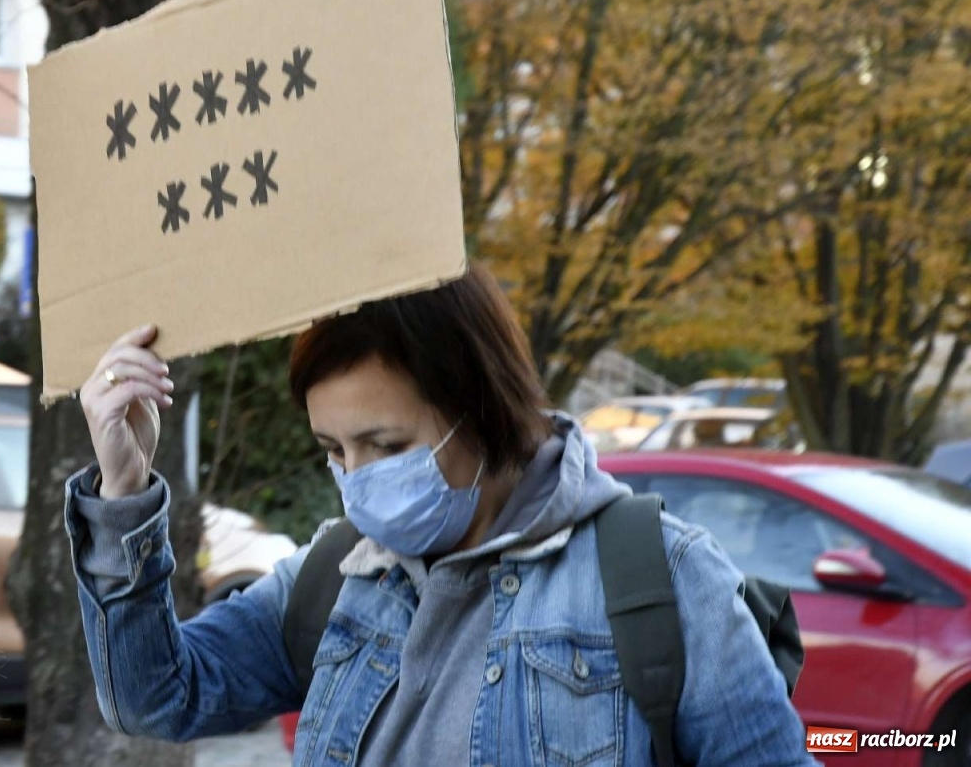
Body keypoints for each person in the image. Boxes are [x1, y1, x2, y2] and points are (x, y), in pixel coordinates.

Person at [66, 265, 815, 766]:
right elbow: (155, 696)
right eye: (333, 449)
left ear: (480, 411)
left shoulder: (664, 579)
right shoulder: (337, 578)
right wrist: (124, 489)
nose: (356, 481)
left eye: (385, 445)